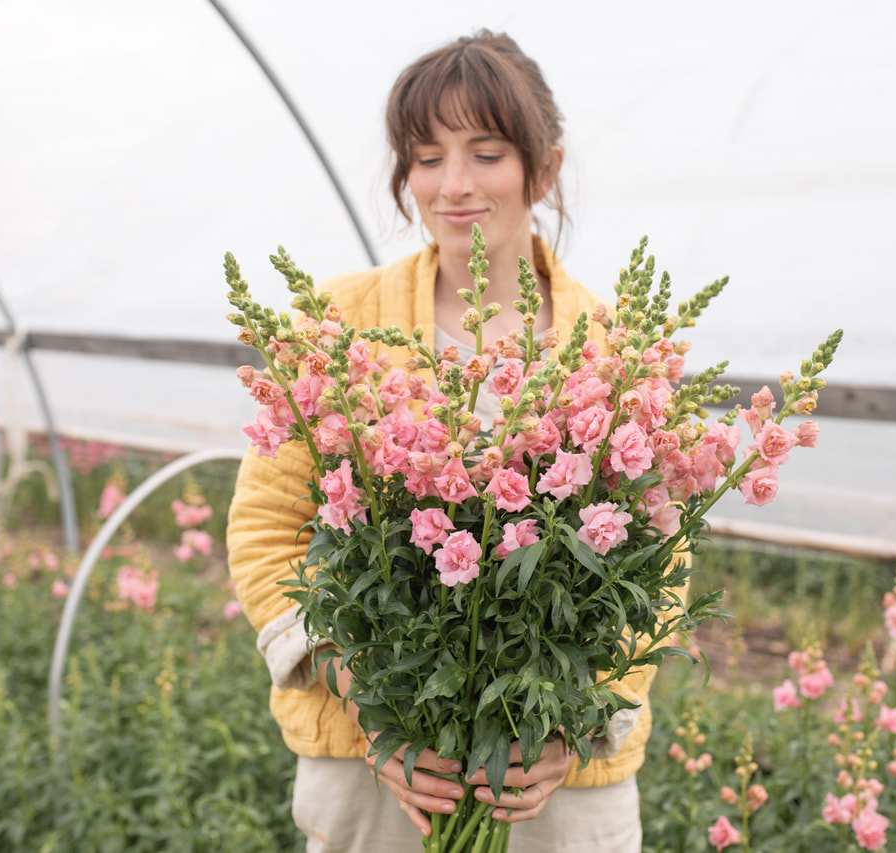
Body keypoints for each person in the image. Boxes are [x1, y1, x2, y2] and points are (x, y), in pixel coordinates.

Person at [227, 30, 656, 853]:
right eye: (425, 157)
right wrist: (362, 692)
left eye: (486, 152)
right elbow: (264, 529)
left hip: (550, 779)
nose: (453, 185)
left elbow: (657, 571)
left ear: (545, 167)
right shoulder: (337, 322)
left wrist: (579, 716)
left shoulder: (614, 345)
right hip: (382, 765)